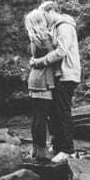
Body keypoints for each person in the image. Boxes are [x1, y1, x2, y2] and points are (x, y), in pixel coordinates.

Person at [30, 1, 81, 164]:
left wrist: (39, 62)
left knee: (63, 113)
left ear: (51, 11)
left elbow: (61, 51)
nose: (43, 20)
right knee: (56, 113)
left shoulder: (64, 26)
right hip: (61, 75)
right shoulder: (57, 26)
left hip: (67, 75)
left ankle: (67, 150)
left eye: (44, 15)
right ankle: (59, 146)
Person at [24, 9, 56, 162]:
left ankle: (35, 150)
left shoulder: (33, 38)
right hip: (43, 81)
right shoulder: (44, 37)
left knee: (36, 117)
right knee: (42, 118)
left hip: (33, 79)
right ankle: (42, 152)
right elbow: (54, 56)